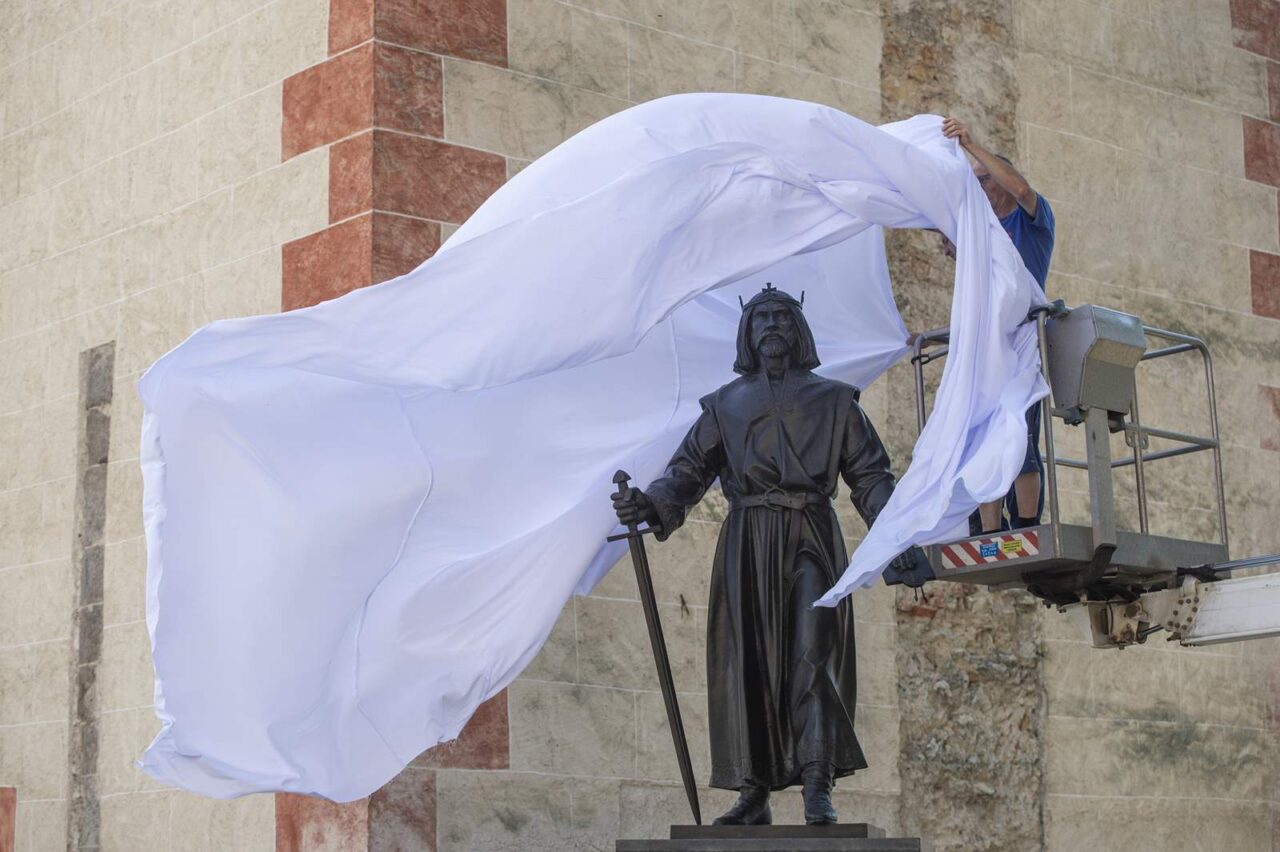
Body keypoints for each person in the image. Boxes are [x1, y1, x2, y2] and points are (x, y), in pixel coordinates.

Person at [612, 285, 930, 826]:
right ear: (747, 333)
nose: (772, 326)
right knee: (747, 663)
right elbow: (687, 471)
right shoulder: (725, 406)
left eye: (783, 317)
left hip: (811, 535)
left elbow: (872, 477)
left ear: (799, 330)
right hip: (746, 542)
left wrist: (897, 537)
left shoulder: (835, 400)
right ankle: (752, 790)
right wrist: (650, 503)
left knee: (813, 654)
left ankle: (816, 784)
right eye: (761, 319)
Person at [942, 116, 1056, 533]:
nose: (980, 190)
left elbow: (1023, 189)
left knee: (1018, 435)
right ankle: (990, 531)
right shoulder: (980, 231)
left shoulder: (1032, 220)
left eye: (984, 181)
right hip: (985, 344)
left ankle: (1025, 523)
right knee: (982, 438)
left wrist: (971, 144)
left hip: (1022, 342)